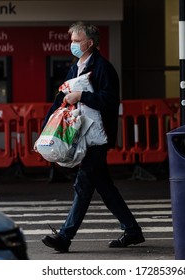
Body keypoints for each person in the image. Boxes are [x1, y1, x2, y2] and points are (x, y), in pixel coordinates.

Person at [40, 21, 144, 253]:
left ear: (90, 43)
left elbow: (109, 100)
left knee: (84, 184)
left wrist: (82, 95)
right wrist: (46, 125)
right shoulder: (75, 66)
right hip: (81, 135)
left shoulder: (103, 68)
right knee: (104, 186)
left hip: (97, 137)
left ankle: (65, 237)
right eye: (72, 41)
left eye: (76, 41)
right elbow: (62, 97)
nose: (72, 45)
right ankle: (132, 230)